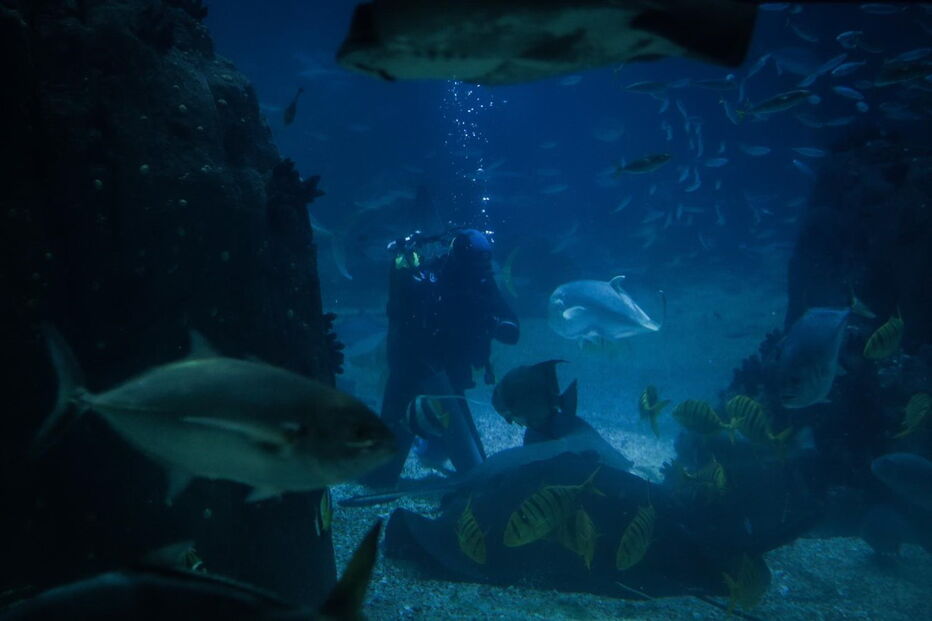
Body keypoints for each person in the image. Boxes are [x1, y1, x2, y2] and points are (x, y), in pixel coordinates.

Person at [364, 228, 519, 488]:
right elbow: (408, 316)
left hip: (451, 372)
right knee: (384, 470)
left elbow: (511, 330)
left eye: (482, 268)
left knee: (471, 466)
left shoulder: (483, 283)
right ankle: (385, 470)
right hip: (411, 368)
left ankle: (434, 453)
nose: (478, 274)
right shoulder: (430, 278)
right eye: (473, 267)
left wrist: (492, 323)